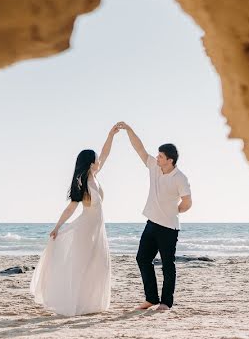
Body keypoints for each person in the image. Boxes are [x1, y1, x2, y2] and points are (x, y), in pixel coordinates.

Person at [30, 125, 119, 316]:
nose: (98, 160)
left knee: (99, 265)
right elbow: (71, 208)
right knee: (83, 265)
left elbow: (105, 153)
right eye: (95, 159)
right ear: (90, 162)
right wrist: (57, 227)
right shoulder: (83, 183)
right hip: (86, 229)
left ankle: (90, 303)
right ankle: (77, 303)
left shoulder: (94, 175)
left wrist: (110, 135)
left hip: (97, 229)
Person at [116, 122, 192, 311]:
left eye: (160, 156)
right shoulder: (154, 168)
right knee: (142, 259)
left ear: (170, 160)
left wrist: (175, 211)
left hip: (168, 228)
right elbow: (139, 149)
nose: (157, 158)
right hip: (151, 224)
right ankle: (151, 299)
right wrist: (129, 130)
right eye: (157, 155)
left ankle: (166, 303)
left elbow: (187, 202)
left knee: (168, 265)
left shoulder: (180, 178)